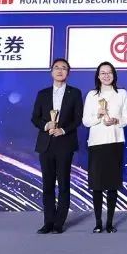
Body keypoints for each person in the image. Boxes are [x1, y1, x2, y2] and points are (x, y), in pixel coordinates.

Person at [30, 58, 84, 235]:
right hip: (46, 144)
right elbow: (35, 118)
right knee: (47, 185)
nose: (60, 70)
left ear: (68, 72)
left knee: (63, 184)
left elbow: (78, 119)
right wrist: (46, 125)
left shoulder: (74, 93)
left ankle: (59, 223)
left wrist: (63, 130)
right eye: (57, 68)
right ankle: (48, 222)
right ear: (51, 71)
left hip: (65, 143)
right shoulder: (43, 94)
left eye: (64, 68)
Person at [83, 61, 127, 233]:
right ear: (98, 76)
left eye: (109, 72)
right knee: (96, 185)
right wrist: (98, 116)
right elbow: (86, 121)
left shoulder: (122, 93)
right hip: (96, 143)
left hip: (115, 142)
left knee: (112, 184)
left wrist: (117, 120)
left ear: (114, 75)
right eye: (102, 73)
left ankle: (109, 222)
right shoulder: (91, 95)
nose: (106, 75)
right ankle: (98, 222)